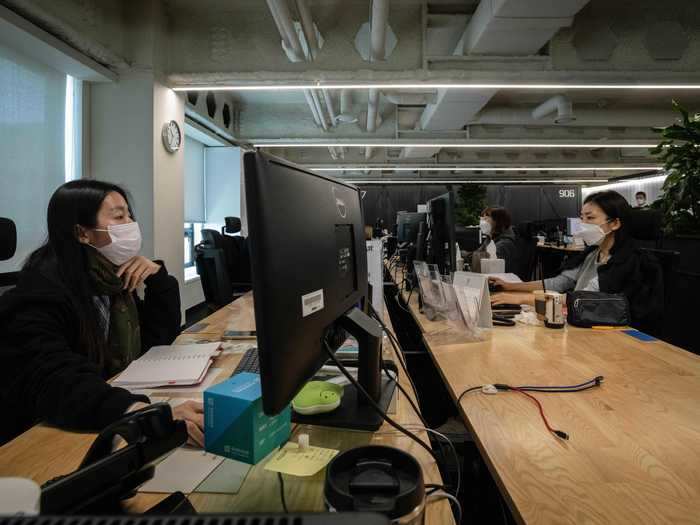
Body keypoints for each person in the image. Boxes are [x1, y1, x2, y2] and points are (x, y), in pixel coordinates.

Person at [0, 180, 204, 446]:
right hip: (39, 433)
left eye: (129, 215)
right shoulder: (41, 292)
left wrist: (158, 279)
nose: (131, 224)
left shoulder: (110, 280)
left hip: (99, 403)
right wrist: (141, 414)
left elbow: (155, 344)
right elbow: (57, 379)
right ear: (82, 233)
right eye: (119, 216)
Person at [490, 190, 663, 331]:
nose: (583, 224)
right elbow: (559, 283)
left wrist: (519, 299)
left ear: (615, 224)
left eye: (590, 218)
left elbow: (583, 297)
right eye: (582, 217)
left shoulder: (629, 261)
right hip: (581, 323)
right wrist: (510, 287)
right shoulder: (592, 254)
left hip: (607, 333)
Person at [474, 207, 519, 273]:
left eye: (486, 218)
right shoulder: (490, 239)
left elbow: (489, 263)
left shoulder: (504, 244)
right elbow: (478, 253)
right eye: (482, 217)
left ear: (498, 221)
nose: (482, 221)